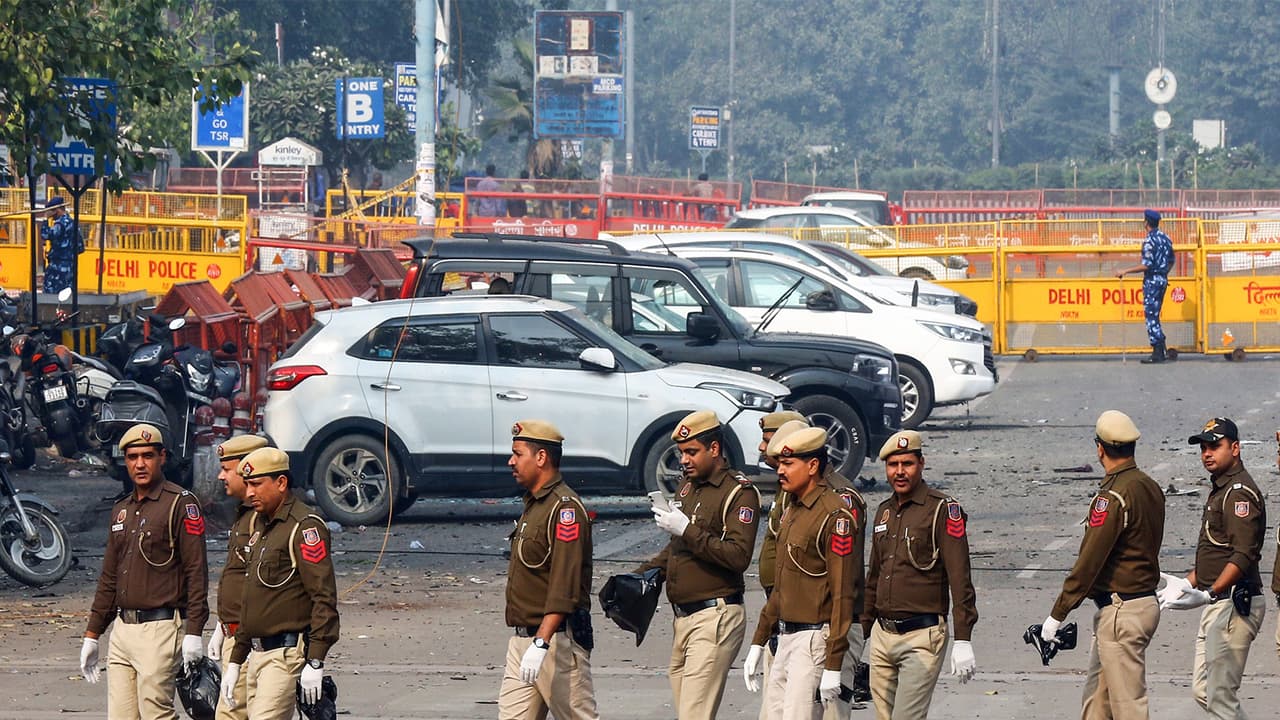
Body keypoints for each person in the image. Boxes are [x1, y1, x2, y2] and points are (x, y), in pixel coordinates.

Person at [636, 410, 761, 720]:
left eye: (692, 452)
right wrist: (639, 576)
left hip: (715, 616)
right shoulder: (688, 487)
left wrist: (687, 529)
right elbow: (678, 548)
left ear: (715, 449)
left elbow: (738, 556)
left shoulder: (738, 492)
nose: (684, 460)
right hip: (684, 619)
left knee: (693, 715)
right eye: (681, 452)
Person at [80, 423, 210, 719]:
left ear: (162, 457)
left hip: (161, 628)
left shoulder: (180, 503)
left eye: (148, 455)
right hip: (122, 630)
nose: (140, 463)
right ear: (124, 461)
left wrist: (194, 632)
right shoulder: (121, 509)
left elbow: (196, 572)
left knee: (156, 714)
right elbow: (110, 577)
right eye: (132, 456)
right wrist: (92, 633)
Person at [1040, 410, 1164, 720]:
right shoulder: (1148, 486)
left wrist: (1058, 613)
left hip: (1122, 611)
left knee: (1128, 708)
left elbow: (1089, 561)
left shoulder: (1112, 497)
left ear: (1100, 448)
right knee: (1096, 704)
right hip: (1139, 604)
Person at [744, 425, 859, 719]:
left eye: (788, 463)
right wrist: (759, 640)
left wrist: (834, 664)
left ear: (812, 466)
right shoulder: (793, 508)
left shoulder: (834, 515)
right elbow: (783, 585)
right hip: (785, 635)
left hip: (812, 640)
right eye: (780, 463)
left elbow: (843, 594)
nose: (780, 470)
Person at [864, 430, 977, 720]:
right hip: (882, 635)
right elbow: (873, 578)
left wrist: (963, 638)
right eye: (893, 465)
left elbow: (960, 577)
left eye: (907, 464)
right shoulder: (884, 512)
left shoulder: (942, 510)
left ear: (921, 464)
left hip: (921, 638)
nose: (899, 472)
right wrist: (858, 636)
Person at [221, 448, 339, 719]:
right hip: (255, 654)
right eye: (247, 484)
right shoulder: (261, 525)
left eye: (256, 484)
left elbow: (323, 596)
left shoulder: (304, 527)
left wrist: (316, 661)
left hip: (283, 656)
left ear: (281, 483)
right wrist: (236, 660)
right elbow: (250, 600)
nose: (249, 493)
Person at [1158, 418, 1265, 718]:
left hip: (1234, 603)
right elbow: (1217, 554)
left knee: (1220, 697)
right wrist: (1186, 583)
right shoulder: (1221, 488)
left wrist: (1209, 593)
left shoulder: (1238, 493)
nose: (1207, 453)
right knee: (1205, 692)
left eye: (1214, 447)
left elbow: (1243, 554)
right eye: (1203, 448)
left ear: (1235, 448)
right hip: (1219, 602)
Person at [498, 420, 599, 719]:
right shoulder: (535, 504)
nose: (511, 461)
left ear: (541, 458)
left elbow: (564, 586)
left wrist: (541, 642)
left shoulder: (564, 509)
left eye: (518, 454)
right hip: (522, 641)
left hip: (556, 643)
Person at [206, 434, 269, 720]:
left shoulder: (264, 517)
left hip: (251, 639)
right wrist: (221, 626)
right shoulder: (244, 515)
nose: (221, 475)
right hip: (235, 633)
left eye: (226, 468)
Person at [1115, 209, 1174, 364]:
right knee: (1156, 315)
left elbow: (1146, 265)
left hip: (1152, 281)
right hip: (1162, 279)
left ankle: (1157, 352)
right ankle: (1162, 348)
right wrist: (1163, 274)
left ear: (1146, 222)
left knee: (1151, 317)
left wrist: (1125, 271)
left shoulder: (1149, 242)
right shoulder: (1166, 238)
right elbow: (1171, 260)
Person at [41, 195, 83, 294]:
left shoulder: (60, 224)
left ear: (56, 210)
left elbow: (45, 235)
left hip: (57, 267)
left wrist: (45, 219)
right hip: (71, 266)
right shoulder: (73, 223)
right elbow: (80, 247)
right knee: (67, 296)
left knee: (51, 296)